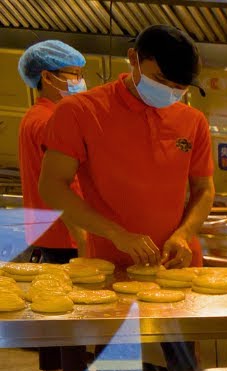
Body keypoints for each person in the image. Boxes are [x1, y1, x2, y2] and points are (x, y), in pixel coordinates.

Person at [40, 25, 213, 271]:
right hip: (110, 265)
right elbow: (52, 186)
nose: (170, 91)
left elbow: (204, 189)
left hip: (177, 264)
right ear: (133, 59)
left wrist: (184, 234)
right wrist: (116, 234)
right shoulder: (80, 111)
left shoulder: (193, 121)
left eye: (180, 86)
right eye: (161, 80)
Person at [17, 40, 90, 371]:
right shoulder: (51, 120)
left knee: (50, 300)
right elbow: (65, 185)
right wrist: (83, 235)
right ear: (47, 76)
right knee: (68, 308)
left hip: (46, 230)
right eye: (73, 75)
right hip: (65, 232)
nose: (79, 81)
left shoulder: (32, 116)